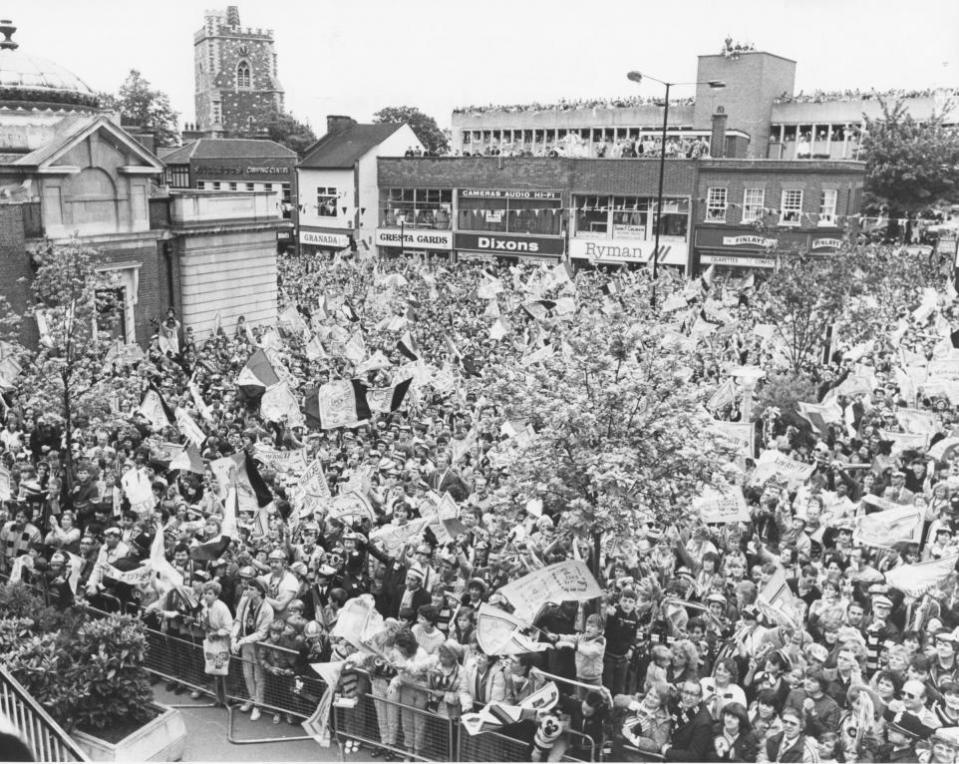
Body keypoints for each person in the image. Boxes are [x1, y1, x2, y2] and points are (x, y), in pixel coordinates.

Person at [231, 573, 273, 721]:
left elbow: (262, 633)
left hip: (258, 646)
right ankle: (252, 697)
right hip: (245, 643)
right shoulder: (244, 601)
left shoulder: (267, 609)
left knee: (258, 676)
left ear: (259, 592)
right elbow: (237, 620)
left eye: (250, 588)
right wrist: (233, 639)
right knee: (247, 673)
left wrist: (241, 641)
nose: (247, 591)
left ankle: (258, 705)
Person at [198, 580, 233, 706]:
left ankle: (226, 699)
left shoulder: (222, 608)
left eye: (210, 593)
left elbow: (229, 627)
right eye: (205, 593)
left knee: (221, 669)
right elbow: (202, 620)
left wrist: (217, 633)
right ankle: (217, 699)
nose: (206, 596)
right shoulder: (203, 605)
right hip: (210, 640)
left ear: (216, 595)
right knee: (213, 669)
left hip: (222, 641)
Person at [660, 680, 714, 761]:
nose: (688, 697)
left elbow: (694, 756)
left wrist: (667, 752)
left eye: (693, 694)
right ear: (681, 693)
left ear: (700, 698)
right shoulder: (680, 705)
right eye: (686, 692)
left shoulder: (703, 723)